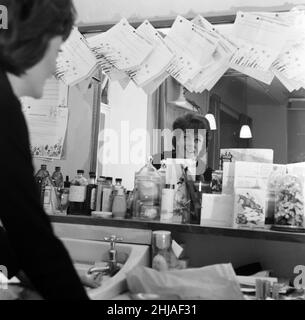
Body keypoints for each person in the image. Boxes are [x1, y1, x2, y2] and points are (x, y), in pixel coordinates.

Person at [0, 0, 89, 300]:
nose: (55, 66)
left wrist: (20, 266)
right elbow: (30, 232)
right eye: (58, 49)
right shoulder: (2, 107)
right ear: (36, 41)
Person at [153, 112, 212, 182]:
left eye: (197, 140)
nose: (191, 144)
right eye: (186, 137)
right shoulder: (157, 162)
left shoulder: (207, 174)